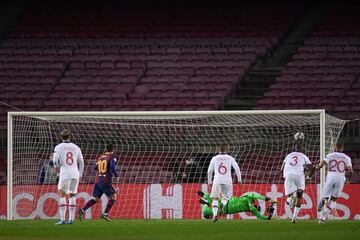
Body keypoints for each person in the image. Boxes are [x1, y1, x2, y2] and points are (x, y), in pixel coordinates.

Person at [78, 143, 119, 221]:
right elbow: (112, 167)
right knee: (113, 197)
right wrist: (116, 175)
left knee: (96, 199)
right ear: (113, 149)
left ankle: (82, 210)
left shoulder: (100, 157)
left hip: (98, 181)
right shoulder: (112, 157)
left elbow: (95, 168)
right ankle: (105, 214)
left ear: (106, 149)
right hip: (106, 181)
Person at [52, 130, 84, 225]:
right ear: (70, 136)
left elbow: (54, 161)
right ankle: (71, 219)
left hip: (65, 173)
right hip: (75, 173)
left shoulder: (58, 147)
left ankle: (62, 220)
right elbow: (81, 162)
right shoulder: (76, 147)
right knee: (72, 195)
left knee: (62, 194)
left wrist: (56, 168)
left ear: (61, 137)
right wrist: (81, 174)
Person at [316, 141, 353, 224]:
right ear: (342, 148)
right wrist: (348, 180)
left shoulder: (330, 155)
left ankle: (323, 201)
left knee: (325, 196)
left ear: (335, 148)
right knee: (333, 199)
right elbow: (350, 171)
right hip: (340, 178)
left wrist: (317, 167)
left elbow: (322, 164)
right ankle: (322, 219)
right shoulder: (346, 157)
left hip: (331, 176)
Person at [281, 139, 314, 223]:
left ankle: (290, 199)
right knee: (299, 196)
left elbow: (282, 168)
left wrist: (284, 176)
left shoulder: (288, 155)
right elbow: (311, 168)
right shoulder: (303, 156)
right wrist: (308, 178)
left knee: (288, 197)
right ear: (302, 149)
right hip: (300, 176)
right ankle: (294, 218)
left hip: (289, 175)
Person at [207, 143, 241, 223]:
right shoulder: (230, 158)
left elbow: (209, 171)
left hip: (217, 180)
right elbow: (237, 167)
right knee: (226, 197)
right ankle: (222, 204)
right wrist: (239, 180)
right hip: (227, 181)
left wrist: (209, 181)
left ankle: (215, 214)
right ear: (227, 149)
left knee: (215, 198)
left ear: (218, 149)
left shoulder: (214, 158)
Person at [198, 191, 277, 220]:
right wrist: (267, 199)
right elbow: (258, 196)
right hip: (226, 202)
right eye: (254, 201)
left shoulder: (251, 209)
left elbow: (259, 216)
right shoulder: (247, 196)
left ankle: (205, 203)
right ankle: (204, 196)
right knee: (211, 197)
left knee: (204, 211)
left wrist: (268, 217)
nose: (254, 202)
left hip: (224, 210)